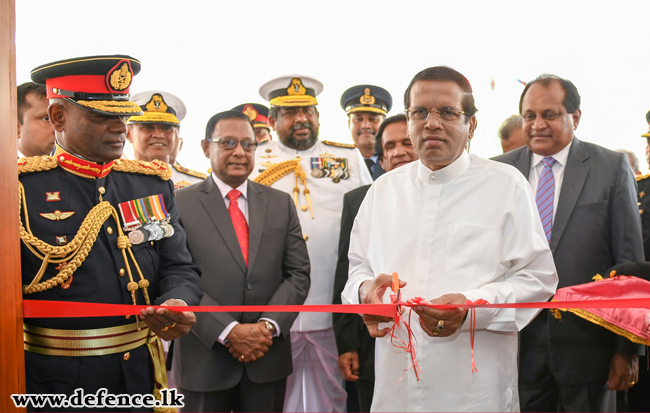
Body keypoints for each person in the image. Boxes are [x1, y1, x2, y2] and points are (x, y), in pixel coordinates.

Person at [341, 66, 558, 412]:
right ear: (409, 119)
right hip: (397, 389)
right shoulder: (382, 192)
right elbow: (356, 272)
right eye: (420, 112)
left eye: (447, 112)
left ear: (471, 125)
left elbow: (538, 279)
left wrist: (473, 308)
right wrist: (365, 293)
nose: (431, 123)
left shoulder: (506, 185)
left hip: (475, 392)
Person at [20, 55, 203, 409]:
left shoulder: (149, 183)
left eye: (123, 115)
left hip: (136, 375)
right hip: (55, 382)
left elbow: (180, 266)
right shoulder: (20, 188)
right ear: (58, 116)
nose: (121, 127)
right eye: (103, 116)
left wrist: (177, 302)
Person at [493, 74, 644, 412]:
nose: (537, 125)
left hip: (589, 346)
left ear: (575, 117)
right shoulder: (499, 171)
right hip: (515, 343)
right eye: (529, 116)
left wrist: (628, 349)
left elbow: (629, 259)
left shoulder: (609, 167)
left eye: (549, 114)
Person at [171, 110, 310, 412]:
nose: (239, 152)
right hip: (203, 361)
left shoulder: (279, 203)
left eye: (248, 144)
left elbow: (298, 274)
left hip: (266, 357)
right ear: (206, 147)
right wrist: (227, 330)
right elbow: (174, 278)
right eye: (228, 142)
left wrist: (267, 326)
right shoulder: (179, 203)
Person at [250, 75, 372, 413]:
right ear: (272, 121)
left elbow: (368, 224)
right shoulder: (252, 158)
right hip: (271, 307)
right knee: (272, 398)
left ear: (318, 116)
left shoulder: (346, 158)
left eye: (308, 110)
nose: (301, 118)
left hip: (329, 305)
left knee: (332, 398)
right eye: (290, 113)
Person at [332, 113, 417, 412]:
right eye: (389, 147)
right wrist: (347, 344)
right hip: (374, 342)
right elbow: (348, 272)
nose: (398, 152)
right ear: (381, 160)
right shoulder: (358, 200)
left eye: (407, 142)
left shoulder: (454, 196)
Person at [127, 90, 206, 190]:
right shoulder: (115, 181)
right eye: (148, 127)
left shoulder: (197, 185)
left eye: (166, 128)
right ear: (128, 134)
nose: (159, 135)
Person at [340, 85, 392, 179]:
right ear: (349, 124)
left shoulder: (396, 160)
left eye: (373, 119)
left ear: (384, 124)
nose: (365, 125)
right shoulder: (339, 162)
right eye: (358, 119)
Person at [16, 81, 55, 158]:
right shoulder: (5, 168)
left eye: (61, 119)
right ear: (16, 128)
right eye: (46, 119)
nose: (59, 128)